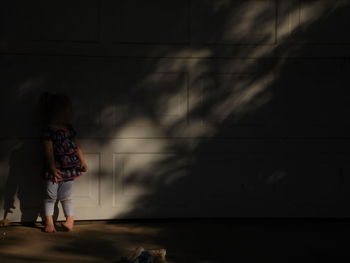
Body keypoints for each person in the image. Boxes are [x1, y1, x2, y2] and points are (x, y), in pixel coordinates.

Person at [40, 92, 88, 232]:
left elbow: (77, 146)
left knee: (66, 196)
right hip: (55, 170)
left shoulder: (69, 129)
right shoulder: (48, 131)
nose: (70, 113)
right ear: (57, 112)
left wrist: (82, 160)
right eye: (67, 110)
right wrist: (52, 168)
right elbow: (48, 151)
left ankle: (70, 220)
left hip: (70, 169)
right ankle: (49, 222)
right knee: (50, 196)